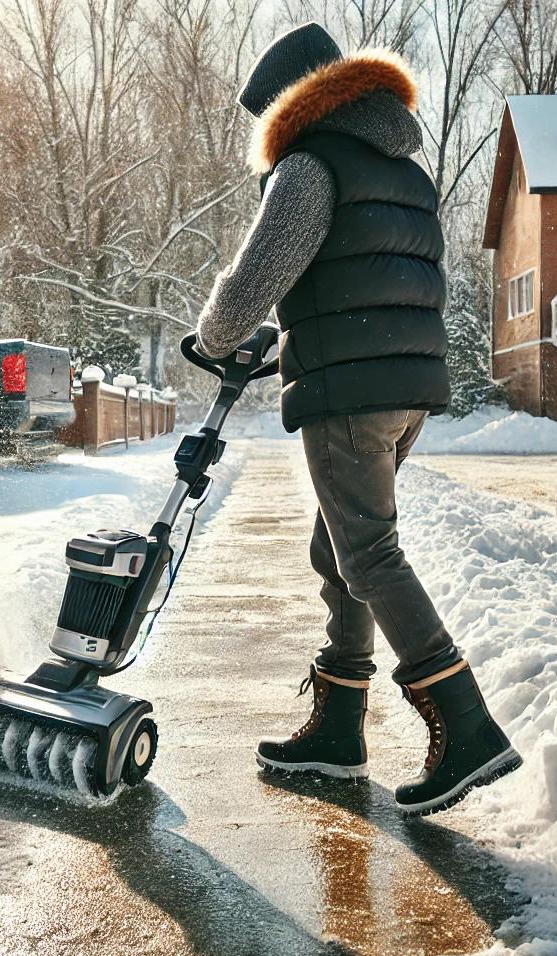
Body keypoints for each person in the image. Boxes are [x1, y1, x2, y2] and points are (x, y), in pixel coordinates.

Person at [194, 24, 521, 816]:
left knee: (368, 553)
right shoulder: (401, 169)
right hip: (405, 386)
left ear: (293, 104)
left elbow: (253, 279)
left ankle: (468, 729)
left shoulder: (308, 167)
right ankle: (339, 728)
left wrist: (214, 336)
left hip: (350, 394)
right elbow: (374, 276)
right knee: (337, 545)